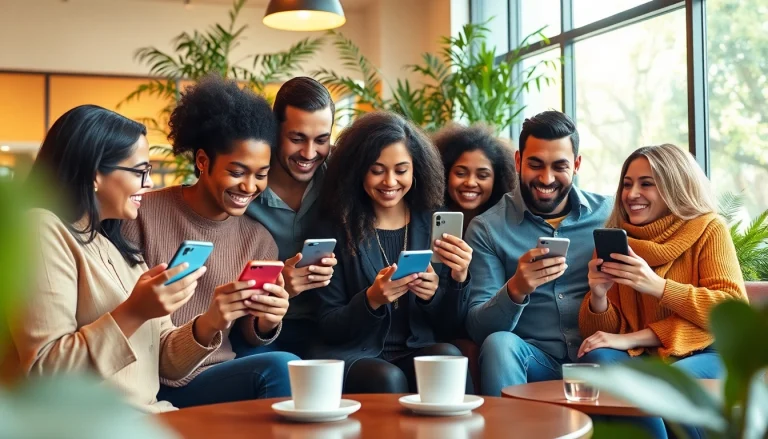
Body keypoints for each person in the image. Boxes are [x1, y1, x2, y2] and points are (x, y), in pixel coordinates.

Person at [12, 105, 209, 413]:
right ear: (95, 175)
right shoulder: (41, 229)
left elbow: (167, 365)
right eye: (140, 171)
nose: (149, 183)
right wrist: (134, 311)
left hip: (152, 416)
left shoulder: (117, 247)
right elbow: (46, 373)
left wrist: (214, 321)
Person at [122, 75, 297, 408]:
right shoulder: (142, 214)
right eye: (237, 171)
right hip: (148, 377)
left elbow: (250, 333)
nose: (249, 186)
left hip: (216, 375)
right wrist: (207, 320)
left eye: (261, 174)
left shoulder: (257, 238)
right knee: (280, 365)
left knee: (281, 362)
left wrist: (268, 319)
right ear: (203, 161)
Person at [578, 144, 748, 439]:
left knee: (664, 382)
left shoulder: (709, 229)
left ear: (674, 187)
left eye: (647, 184)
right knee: (598, 359)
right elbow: (605, 334)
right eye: (627, 184)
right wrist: (599, 297)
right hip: (645, 356)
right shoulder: (619, 242)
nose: (631, 195)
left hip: (710, 350)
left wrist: (656, 287)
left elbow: (730, 310)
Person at [313, 111, 474, 394]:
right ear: (358, 170)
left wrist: (448, 285)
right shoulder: (334, 228)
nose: (390, 182)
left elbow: (450, 326)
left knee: (449, 358)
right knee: (387, 378)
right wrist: (371, 300)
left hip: (415, 349)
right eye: (377, 170)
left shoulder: (434, 222)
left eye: (401, 170)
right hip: (356, 354)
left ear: (416, 169)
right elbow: (327, 325)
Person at [465, 110, 612, 396]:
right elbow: (478, 329)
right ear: (518, 161)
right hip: (533, 361)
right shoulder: (487, 228)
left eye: (559, 166)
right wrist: (517, 288)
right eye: (535, 164)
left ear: (577, 164)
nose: (546, 178)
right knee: (499, 343)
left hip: (600, 360)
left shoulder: (608, 215)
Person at [243, 77, 337, 357]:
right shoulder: (244, 188)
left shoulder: (340, 181)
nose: (309, 153)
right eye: (297, 139)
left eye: (321, 140)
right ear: (274, 132)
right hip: (253, 329)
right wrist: (280, 284)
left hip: (328, 327)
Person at [433, 123, 517, 232]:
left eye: (482, 176)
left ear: (496, 181)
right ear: (444, 174)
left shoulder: (506, 226)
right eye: (460, 173)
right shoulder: (424, 221)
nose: (470, 182)